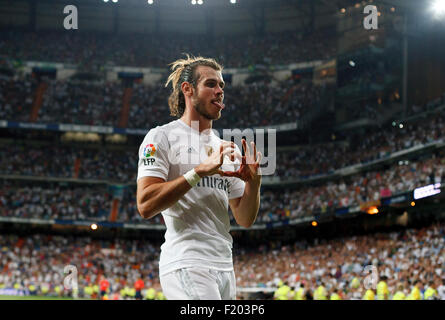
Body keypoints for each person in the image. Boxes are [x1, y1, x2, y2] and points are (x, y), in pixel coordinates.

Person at [136, 55, 262, 300]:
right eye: (211, 84)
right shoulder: (161, 137)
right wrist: (199, 171)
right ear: (188, 89)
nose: (219, 91)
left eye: (222, 86)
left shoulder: (228, 149)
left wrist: (254, 184)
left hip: (225, 264)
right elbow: (145, 204)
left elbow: (244, 218)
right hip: (188, 260)